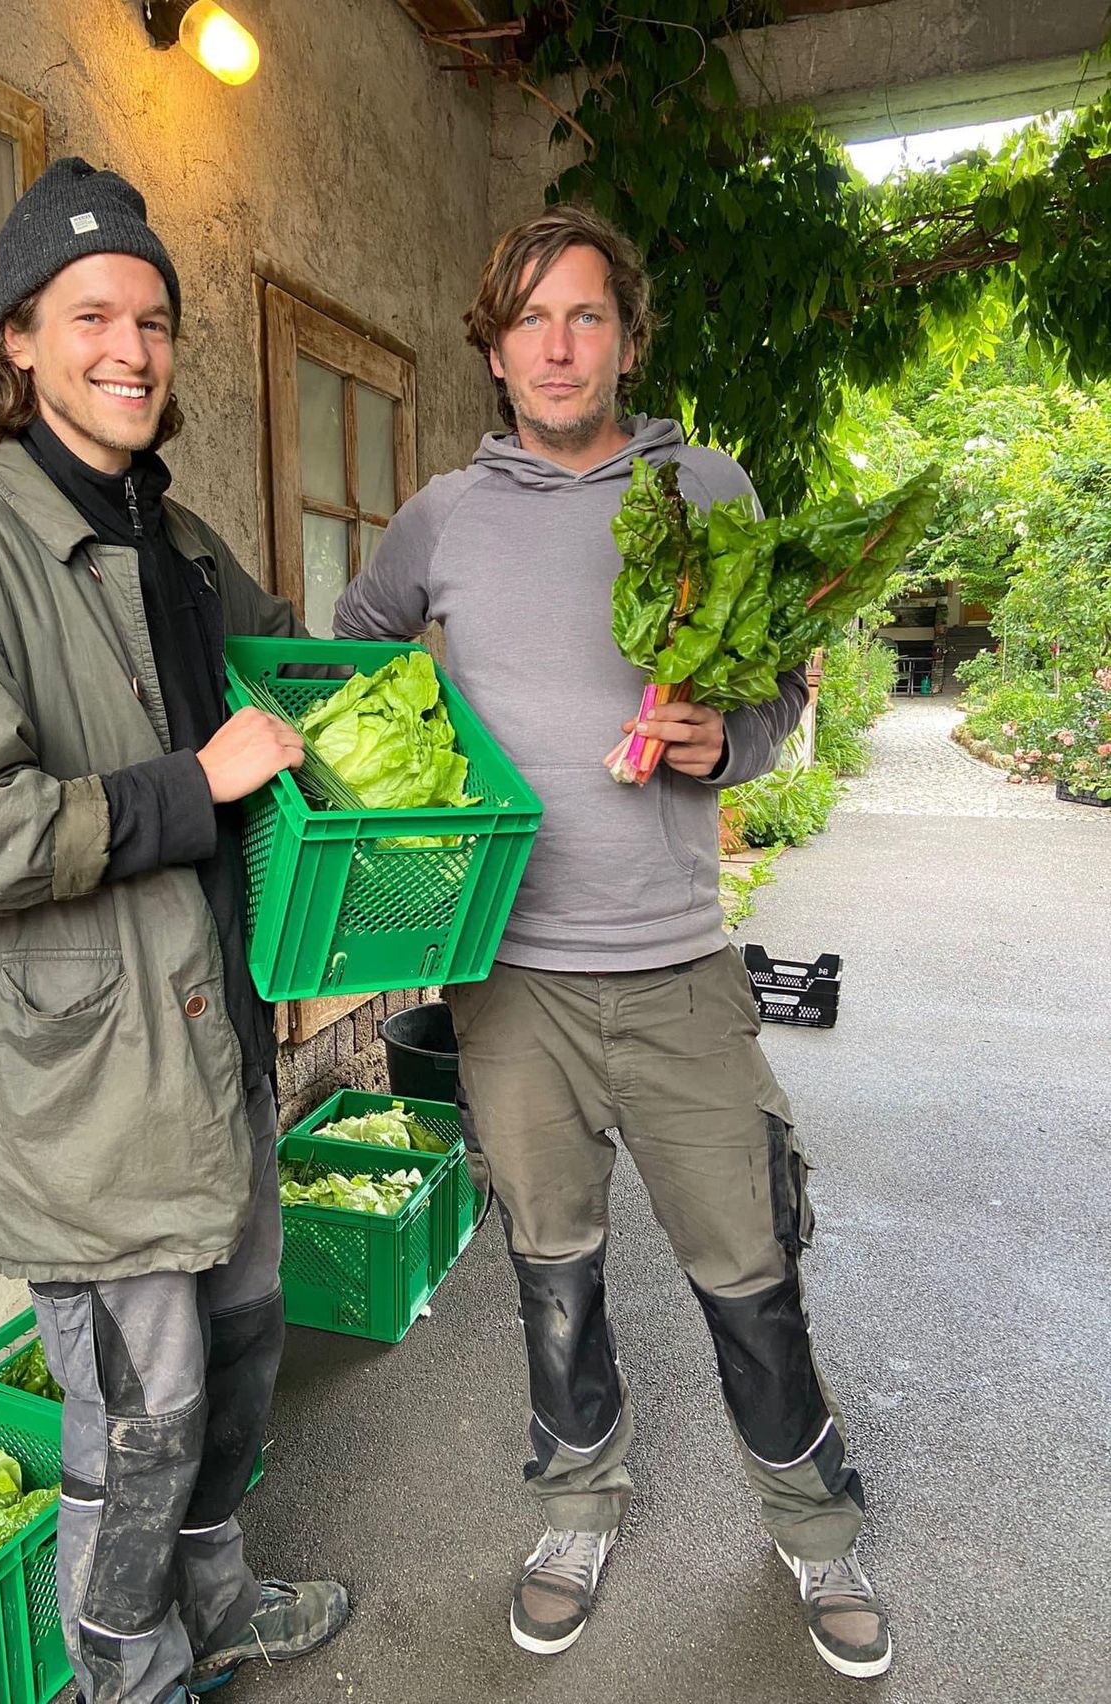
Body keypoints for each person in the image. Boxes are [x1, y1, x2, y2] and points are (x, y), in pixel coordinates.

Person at [333, 205, 892, 1680]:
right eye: (529, 320)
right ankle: (576, 1506)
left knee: (750, 1260)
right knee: (552, 1266)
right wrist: (423, 790)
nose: (558, 346)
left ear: (628, 339)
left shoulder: (706, 487)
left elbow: (779, 688)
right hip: (510, 976)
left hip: (676, 964)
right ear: (495, 350)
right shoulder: (445, 516)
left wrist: (732, 739)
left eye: (585, 315)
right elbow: (355, 647)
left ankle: (814, 1525)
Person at [0, 157, 349, 1704]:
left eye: (151, 317)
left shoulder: (189, 552)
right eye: (89, 315)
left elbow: (295, 700)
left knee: (243, 1357)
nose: (128, 347)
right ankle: (126, 1677)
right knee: (141, 1419)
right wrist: (191, 787)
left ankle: (219, 1606)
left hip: (220, 1047)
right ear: (18, 340)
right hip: (83, 1092)